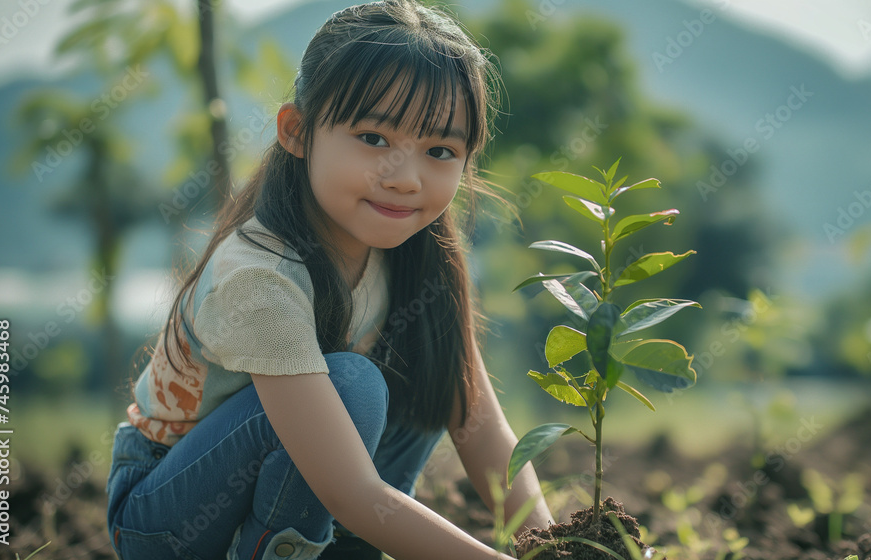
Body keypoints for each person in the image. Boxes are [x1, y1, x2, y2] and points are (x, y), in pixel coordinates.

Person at [104, 1, 555, 558]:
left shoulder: (420, 255)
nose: (407, 179)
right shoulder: (257, 278)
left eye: (440, 150)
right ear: (297, 131)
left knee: (428, 367)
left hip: (307, 493)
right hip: (169, 516)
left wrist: (551, 548)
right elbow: (350, 492)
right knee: (354, 387)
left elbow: (483, 432)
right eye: (373, 138)